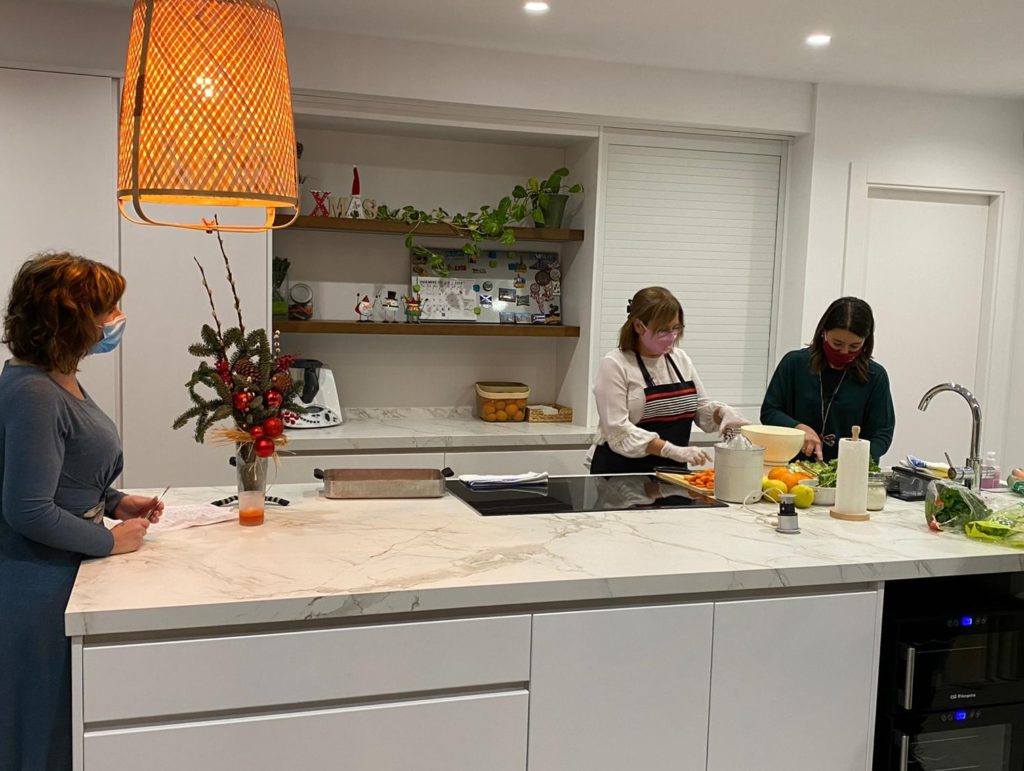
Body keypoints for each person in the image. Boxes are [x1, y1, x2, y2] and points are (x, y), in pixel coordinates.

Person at [0, 252, 164, 770]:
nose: (116, 319)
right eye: (106, 309)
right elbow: (28, 509)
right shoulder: (35, 393)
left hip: (62, 570)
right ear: (69, 318)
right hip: (39, 586)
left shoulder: (55, 378)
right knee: (45, 734)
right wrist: (110, 540)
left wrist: (115, 501)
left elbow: (64, 471)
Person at [589, 286, 749, 474]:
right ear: (639, 326)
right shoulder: (615, 364)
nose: (672, 336)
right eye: (663, 330)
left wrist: (721, 413)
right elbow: (618, 431)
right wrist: (671, 450)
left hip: (673, 472)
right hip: (623, 473)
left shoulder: (680, 359)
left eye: (676, 328)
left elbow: (700, 410)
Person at [760, 296, 895, 462]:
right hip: (792, 468)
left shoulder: (875, 376)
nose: (844, 352)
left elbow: (882, 433)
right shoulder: (794, 364)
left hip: (849, 469)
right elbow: (770, 412)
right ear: (823, 333)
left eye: (854, 346)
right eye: (837, 344)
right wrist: (798, 428)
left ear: (866, 342)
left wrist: (859, 458)